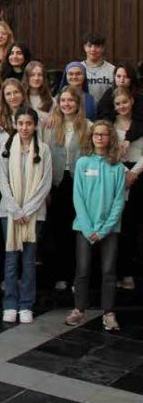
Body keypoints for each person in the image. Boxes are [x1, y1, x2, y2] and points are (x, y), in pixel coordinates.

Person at [66, 121, 126, 332]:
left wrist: (103, 230)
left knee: (109, 271)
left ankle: (108, 313)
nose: (99, 138)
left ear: (111, 138)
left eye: (104, 134)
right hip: (85, 227)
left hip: (109, 229)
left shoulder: (117, 167)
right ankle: (78, 309)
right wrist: (88, 227)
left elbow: (119, 201)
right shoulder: (83, 163)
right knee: (82, 270)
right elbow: (78, 196)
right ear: (91, 138)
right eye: (96, 134)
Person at [0, 108, 52, 324]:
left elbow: (45, 183)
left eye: (29, 123)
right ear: (15, 124)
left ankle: (26, 304)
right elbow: (3, 180)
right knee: (11, 259)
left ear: (35, 125)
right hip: (9, 213)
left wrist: (27, 211)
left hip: (34, 214)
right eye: (20, 123)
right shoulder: (7, 147)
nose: (24, 128)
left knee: (29, 260)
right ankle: (10, 304)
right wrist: (15, 210)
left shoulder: (44, 150)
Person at [44, 86, 88, 292]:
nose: (66, 104)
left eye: (71, 100)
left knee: (77, 231)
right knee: (59, 230)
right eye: (63, 101)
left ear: (78, 103)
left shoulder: (88, 126)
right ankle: (61, 275)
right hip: (58, 183)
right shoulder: (51, 125)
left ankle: (78, 277)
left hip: (80, 184)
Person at [112, 88, 143, 290]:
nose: (121, 106)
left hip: (138, 174)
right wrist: (124, 172)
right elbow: (108, 152)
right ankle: (116, 272)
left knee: (133, 225)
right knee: (118, 225)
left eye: (124, 102)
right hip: (117, 174)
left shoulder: (140, 123)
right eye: (118, 104)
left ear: (131, 101)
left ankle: (129, 273)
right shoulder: (112, 125)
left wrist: (134, 173)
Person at [81, 33, 116, 103]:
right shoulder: (77, 69)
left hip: (105, 108)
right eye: (89, 46)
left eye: (97, 46)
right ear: (85, 47)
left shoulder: (112, 69)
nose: (93, 49)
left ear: (103, 48)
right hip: (82, 108)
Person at [24, 60, 55, 125]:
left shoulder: (52, 101)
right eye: (32, 75)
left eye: (39, 75)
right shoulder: (21, 99)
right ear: (27, 77)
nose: (36, 78)